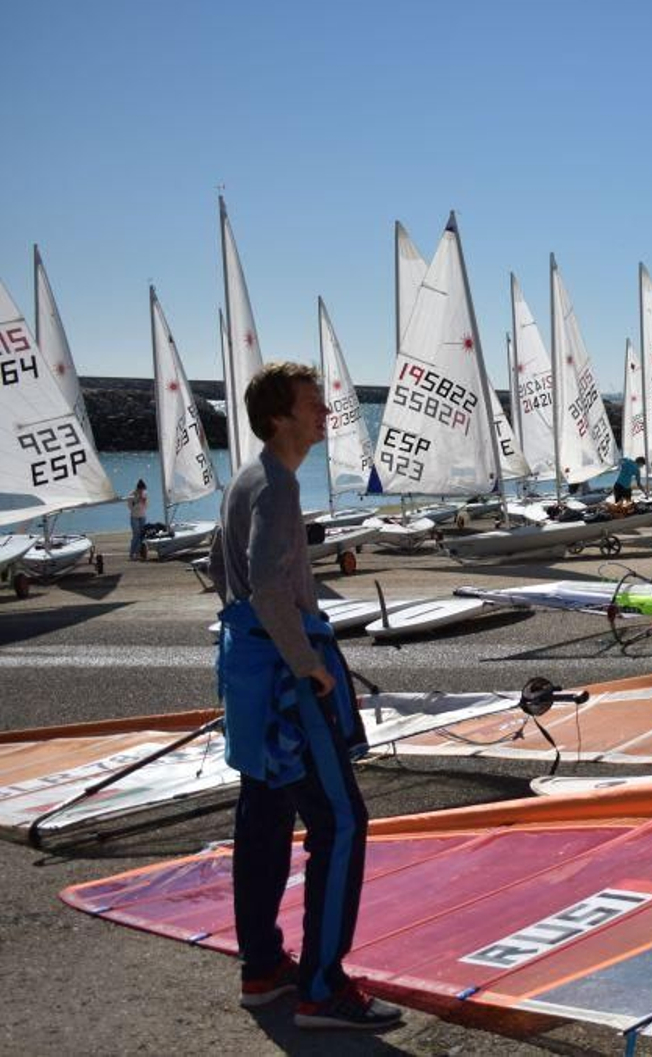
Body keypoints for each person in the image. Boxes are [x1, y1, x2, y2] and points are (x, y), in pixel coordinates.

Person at [208, 362, 401, 1031]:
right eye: (312, 403)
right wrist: (305, 663)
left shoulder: (246, 478)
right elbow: (265, 584)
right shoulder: (279, 484)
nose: (324, 412)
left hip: (249, 670)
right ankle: (322, 985)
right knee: (341, 819)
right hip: (285, 675)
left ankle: (262, 968)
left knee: (263, 813)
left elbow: (219, 568)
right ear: (279, 417)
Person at [127, 479, 149, 559]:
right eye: (141, 490)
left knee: (142, 535)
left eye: (143, 490)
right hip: (134, 516)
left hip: (142, 516)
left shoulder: (145, 494)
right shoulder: (132, 494)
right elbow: (130, 507)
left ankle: (138, 553)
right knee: (136, 535)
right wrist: (137, 501)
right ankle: (132, 553)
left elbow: (146, 506)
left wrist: (144, 502)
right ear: (138, 488)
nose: (141, 491)